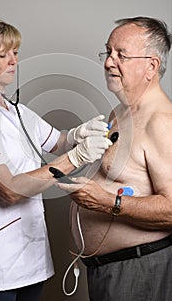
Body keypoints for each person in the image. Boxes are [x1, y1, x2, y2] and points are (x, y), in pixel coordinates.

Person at [0, 17, 112, 301]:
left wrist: (78, 134)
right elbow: (9, 189)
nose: (13, 61)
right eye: (2, 54)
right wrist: (77, 156)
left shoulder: (13, 109)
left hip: (30, 257)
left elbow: (55, 141)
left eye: (15, 53)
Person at [58, 16, 172, 301]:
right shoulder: (119, 112)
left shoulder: (161, 122)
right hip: (109, 269)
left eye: (121, 55)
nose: (109, 62)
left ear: (151, 66)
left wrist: (108, 202)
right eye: (108, 52)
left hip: (139, 269)